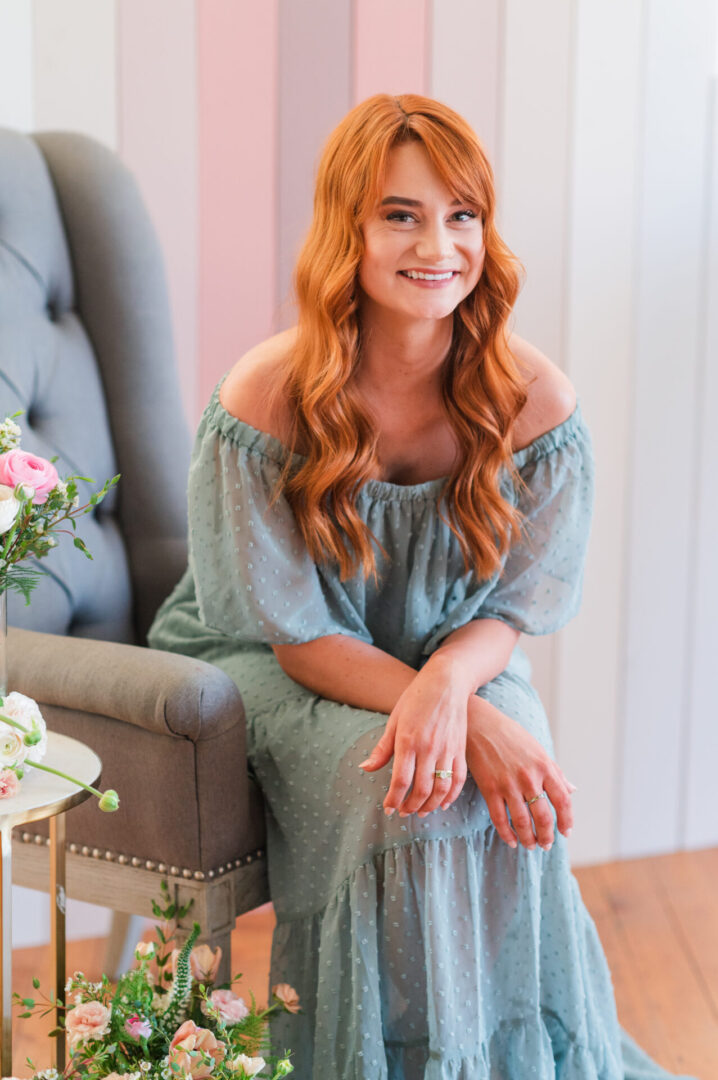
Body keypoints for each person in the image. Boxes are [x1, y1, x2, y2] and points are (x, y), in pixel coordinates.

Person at [148, 94, 697, 1079]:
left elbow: (513, 611)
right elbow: (294, 633)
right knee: (407, 791)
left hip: (456, 652)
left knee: (513, 787)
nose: (436, 244)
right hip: (274, 663)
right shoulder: (264, 397)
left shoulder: (533, 400)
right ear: (345, 230)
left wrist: (455, 692)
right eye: (400, 214)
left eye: (462, 214)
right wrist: (451, 713)